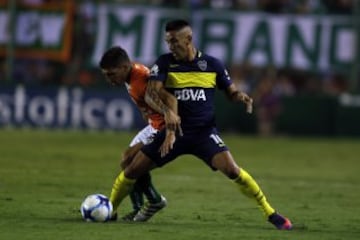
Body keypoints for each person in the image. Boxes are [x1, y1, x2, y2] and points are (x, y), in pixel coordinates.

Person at [108, 20, 292, 230]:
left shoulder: (213, 64)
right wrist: (168, 116)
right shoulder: (165, 63)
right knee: (132, 170)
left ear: (188, 39)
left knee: (232, 170)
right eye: (168, 42)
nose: (171, 47)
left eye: (175, 42)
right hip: (174, 134)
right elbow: (153, 91)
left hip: (204, 134)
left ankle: (271, 213)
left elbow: (230, 91)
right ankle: (110, 210)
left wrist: (240, 96)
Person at [99, 46, 181, 221]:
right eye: (105, 75)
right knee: (126, 161)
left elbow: (158, 97)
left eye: (111, 74)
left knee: (131, 161)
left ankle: (152, 201)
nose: (108, 79)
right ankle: (144, 204)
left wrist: (166, 115)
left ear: (123, 68)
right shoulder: (132, 73)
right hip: (154, 124)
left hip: (163, 127)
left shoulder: (140, 81)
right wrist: (147, 112)